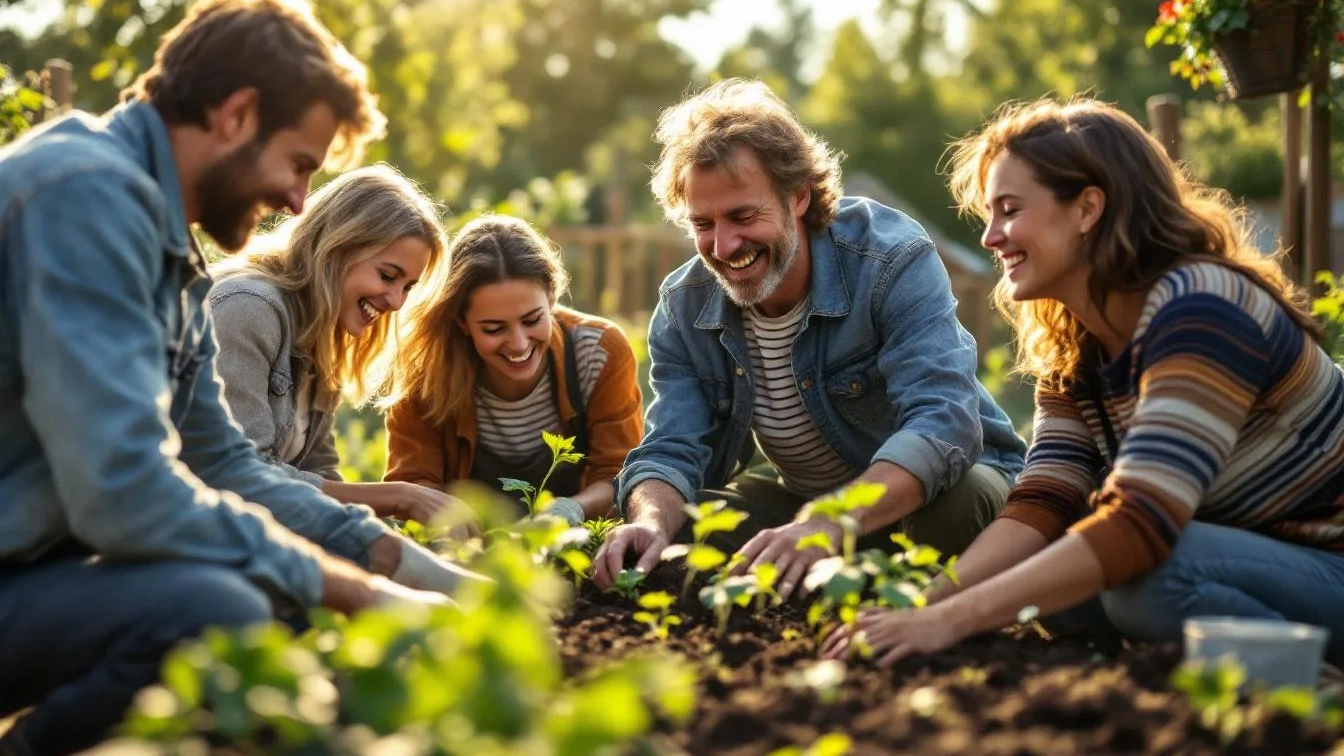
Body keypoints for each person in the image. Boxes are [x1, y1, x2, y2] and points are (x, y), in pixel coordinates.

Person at [0, 2, 479, 753]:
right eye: (299, 165)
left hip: (31, 568)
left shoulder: (168, 252)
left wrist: (414, 571)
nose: (297, 203)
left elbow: (224, 463)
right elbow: (122, 491)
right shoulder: (80, 197)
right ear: (235, 115)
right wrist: (362, 592)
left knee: (270, 593)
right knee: (217, 608)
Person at [822, 98, 1344, 668]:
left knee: (1148, 576)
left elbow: (1142, 522)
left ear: (1087, 208)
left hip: (1326, 563)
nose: (992, 237)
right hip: (1254, 565)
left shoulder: (1202, 306)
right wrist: (920, 608)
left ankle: (1312, 697)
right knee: (1051, 572)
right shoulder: (1081, 347)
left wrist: (947, 622)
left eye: (1010, 210)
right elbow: (1041, 502)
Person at [592, 79, 1027, 601]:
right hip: (802, 505)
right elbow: (672, 446)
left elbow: (943, 423)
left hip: (930, 495)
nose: (724, 245)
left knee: (955, 510)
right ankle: (839, 581)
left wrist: (829, 523)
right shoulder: (686, 304)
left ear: (798, 196)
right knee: (684, 533)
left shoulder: (888, 261)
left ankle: (903, 599)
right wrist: (650, 522)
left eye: (742, 216)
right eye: (702, 224)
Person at [210, 164, 475, 533]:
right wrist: (400, 497)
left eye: (408, 286)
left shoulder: (322, 330)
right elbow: (243, 477)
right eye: (388, 275)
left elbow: (318, 470)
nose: (397, 302)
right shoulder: (249, 308)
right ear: (338, 247)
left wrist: (376, 533)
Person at [384, 215, 644, 526]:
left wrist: (571, 511)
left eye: (532, 320)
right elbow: (413, 482)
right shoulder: (427, 369)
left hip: (573, 539)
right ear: (462, 323)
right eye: (494, 329)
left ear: (551, 298)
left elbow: (618, 473)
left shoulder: (598, 352)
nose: (518, 344)